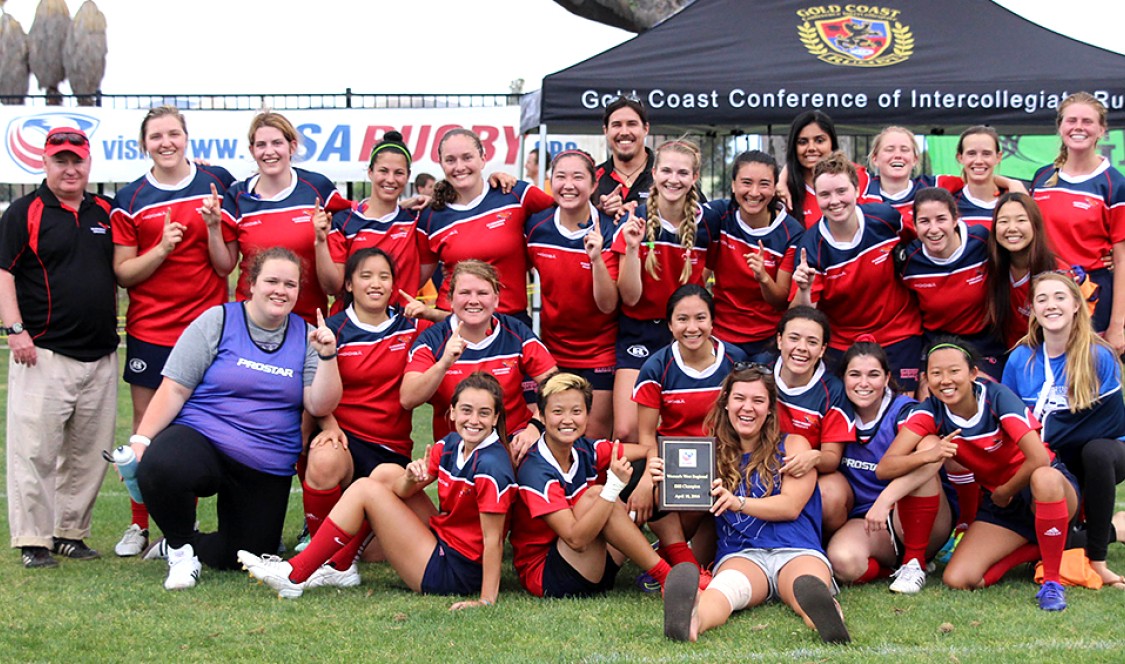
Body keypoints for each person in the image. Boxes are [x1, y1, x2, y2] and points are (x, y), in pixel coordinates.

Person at [133, 247, 342, 590]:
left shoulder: (307, 335)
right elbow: (174, 389)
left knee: (244, 554)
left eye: (289, 284)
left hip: (265, 460)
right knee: (161, 465)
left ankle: (189, 545)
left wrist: (328, 356)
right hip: (204, 437)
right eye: (271, 281)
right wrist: (142, 441)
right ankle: (182, 550)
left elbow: (319, 404)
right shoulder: (218, 320)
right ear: (251, 284)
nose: (280, 290)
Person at [238, 372, 515, 609]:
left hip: (457, 571)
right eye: (466, 410)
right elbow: (399, 490)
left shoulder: (491, 465)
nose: (474, 420)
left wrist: (486, 600)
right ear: (452, 411)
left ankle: (295, 573)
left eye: (484, 413)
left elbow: (493, 541)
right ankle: (340, 567)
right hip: (446, 542)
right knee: (386, 473)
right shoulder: (452, 443)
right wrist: (409, 477)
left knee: (364, 490)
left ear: (496, 418)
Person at [109, 106, 236, 557]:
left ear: (187, 138)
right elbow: (124, 273)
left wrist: (215, 227)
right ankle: (138, 525)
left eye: (173, 134)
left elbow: (227, 265)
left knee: (201, 427)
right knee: (146, 430)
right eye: (156, 136)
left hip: (205, 332)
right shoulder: (131, 197)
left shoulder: (215, 182)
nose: (166, 142)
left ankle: (184, 525)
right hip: (151, 331)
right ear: (144, 143)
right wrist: (162, 247)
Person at [874, 337, 1079, 611]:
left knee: (1044, 477)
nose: (945, 380)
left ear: (972, 373)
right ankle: (1042, 547)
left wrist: (1005, 490)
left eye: (954, 371)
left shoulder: (996, 397)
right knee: (958, 578)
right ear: (926, 378)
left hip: (1045, 489)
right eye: (936, 373)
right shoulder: (931, 411)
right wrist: (930, 454)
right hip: (1001, 504)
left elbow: (1039, 458)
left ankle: (1052, 583)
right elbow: (885, 467)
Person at [657, 365, 849, 644]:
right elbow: (687, 505)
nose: (748, 408)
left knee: (805, 587)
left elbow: (790, 506)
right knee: (725, 591)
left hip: (796, 549)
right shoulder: (709, 454)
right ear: (726, 404)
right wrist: (662, 478)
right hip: (742, 552)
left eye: (758, 401)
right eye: (739, 398)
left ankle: (828, 621)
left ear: (771, 409)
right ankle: (692, 620)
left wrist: (738, 503)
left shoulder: (795, 446)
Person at [1, 127, 118, 568]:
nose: (70, 169)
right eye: (60, 161)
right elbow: (3, 272)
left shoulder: (104, 210)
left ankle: (70, 531)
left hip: (101, 353)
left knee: (88, 454)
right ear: (45, 163)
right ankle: (33, 539)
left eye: (77, 161)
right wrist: (15, 329)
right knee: (35, 451)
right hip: (44, 353)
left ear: (88, 164)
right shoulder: (23, 212)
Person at [1003, 272, 1125, 588]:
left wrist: (1046, 433)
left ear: (1075, 305)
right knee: (1050, 540)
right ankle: (1116, 529)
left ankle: (1098, 559)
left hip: (1104, 454)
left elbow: (1107, 424)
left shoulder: (1098, 355)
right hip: (1046, 460)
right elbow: (1009, 423)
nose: (1051, 305)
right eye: (1042, 299)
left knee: (1095, 450)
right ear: (1033, 310)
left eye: (1059, 297)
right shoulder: (1020, 358)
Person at [510, 373, 673, 597]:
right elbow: (575, 539)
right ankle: (668, 576)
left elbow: (648, 450)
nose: (567, 420)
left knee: (651, 478)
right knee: (597, 495)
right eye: (558, 412)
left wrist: (645, 483)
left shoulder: (585, 449)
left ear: (587, 416)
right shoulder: (535, 469)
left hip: (591, 561)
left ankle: (683, 558)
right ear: (543, 418)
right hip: (550, 574)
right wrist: (613, 487)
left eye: (576, 412)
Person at [302, 248, 424, 540]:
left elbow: (465, 325)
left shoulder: (412, 326)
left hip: (392, 453)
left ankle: (354, 537)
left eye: (384, 277)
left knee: (409, 539)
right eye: (365, 276)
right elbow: (310, 391)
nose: (376, 284)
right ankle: (317, 541)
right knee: (324, 459)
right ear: (348, 284)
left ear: (393, 284)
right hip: (345, 441)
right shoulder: (331, 330)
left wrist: (431, 311)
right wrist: (329, 425)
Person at [632, 285, 746, 580]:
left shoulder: (735, 361)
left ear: (712, 321)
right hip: (677, 465)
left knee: (712, 503)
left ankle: (671, 560)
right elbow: (646, 437)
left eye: (700, 318)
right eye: (682, 319)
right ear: (670, 324)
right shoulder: (656, 367)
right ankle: (677, 563)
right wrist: (648, 478)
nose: (692, 327)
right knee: (675, 492)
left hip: (727, 459)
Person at [611, 139, 720, 444]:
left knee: (689, 427)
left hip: (687, 331)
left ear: (695, 177)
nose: (674, 179)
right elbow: (630, 297)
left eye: (683, 172)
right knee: (626, 431)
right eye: (667, 170)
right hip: (639, 331)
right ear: (655, 173)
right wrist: (633, 249)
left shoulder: (708, 222)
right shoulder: (634, 220)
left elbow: (710, 271)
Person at [825, 339, 955, 593]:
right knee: (844, 563)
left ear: (886, 379)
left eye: (873, 375)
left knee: (923, 457)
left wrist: (886, 499)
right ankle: (894, 569)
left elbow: (934, 452)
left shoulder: (904, 411)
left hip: (917, 515)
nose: (863, 383)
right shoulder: (837, 412)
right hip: (868, 520)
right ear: (843, 378)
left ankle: (915, 560)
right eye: (855, 375)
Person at [203, 111, 351, 325]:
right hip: (251, 322)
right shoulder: (237, 197)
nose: (269, 151)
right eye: (261, 144)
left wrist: (403, 205)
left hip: (305, 321)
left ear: (291, 147)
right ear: (252, 150)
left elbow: (360, 215)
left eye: (277, 143)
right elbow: (224, 267)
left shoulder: (318, 189)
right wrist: (213, 228)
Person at [792, 151, 922, 392]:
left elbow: (923, 244)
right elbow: (802, 315)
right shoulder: (810, 247)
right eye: (825, 194)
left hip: (899, 331)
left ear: (857, 190)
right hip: (843, 342)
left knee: (904, 410)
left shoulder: (886, 218)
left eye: (842, 191)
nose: (834, 200)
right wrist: (804, 290)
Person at [402, 259, 556, 446]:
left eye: (482, 293)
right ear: (450, 299)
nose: (473, 300)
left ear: (496, 299)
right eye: (465, 293)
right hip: (458, 450)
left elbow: (557, 386)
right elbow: (408, 398)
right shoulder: (433, 340)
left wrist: (534, 427)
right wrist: (443, 364)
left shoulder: (516, 332)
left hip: (514, 442)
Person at [525, 150, 618, 439]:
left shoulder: (611, 227)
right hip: (552, 354)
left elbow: (608, 304)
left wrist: (596, 259)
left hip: (600, 352)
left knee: (593, 439)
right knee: (553, 436)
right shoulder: (535, 228)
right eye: (560, 176)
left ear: (593, 185)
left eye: (578, 177)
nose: (568, 184)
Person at [416, 128, 554, 323]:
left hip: (510, 323)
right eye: (450, 160)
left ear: (483, 158)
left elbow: (568, 216)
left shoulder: (516, 194)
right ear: (441, 164)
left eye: (467, 157)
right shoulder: (430, 217)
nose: (459, 166)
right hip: (453, 325)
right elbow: (414, 279)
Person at [1031, 92, 1125, 352]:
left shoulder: (1114, 185)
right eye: (1071, 120)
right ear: (1060, 127)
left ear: (1101, 130)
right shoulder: (1041, 178)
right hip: (1044, 290)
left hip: (1092, 296)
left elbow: (1122, 259)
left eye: (1087, 121)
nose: (1078, 127)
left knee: (1087, 381)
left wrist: (1118, 324)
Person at [897, 187, 1003, 380]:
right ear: (915, 226)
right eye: (924, 221)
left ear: (955, 220)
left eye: (941, 219)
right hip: (936, 343)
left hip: (984, 343)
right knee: (930, 397)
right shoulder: (909, 261)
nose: (934, 229)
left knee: (980, 392)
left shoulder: (981, 241)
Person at [770, 307, 855, 535]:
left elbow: (831, 459)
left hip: (810, 473)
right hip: (762, 466)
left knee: (832, 495)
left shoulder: (833, 390)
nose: (801, 348)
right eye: (794, 338)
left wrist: (813, 457)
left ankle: (823, 548)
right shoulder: (760, 373)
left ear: (822, 349)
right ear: (780, 340)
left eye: (812, 342)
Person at [711, 150, 804, 357]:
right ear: (733, 185)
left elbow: (780, 300)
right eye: (746, 182)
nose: (754, 192)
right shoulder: (719, 215)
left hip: (768, 341)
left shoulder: (791, 231)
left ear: (774, 188)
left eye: (764, 184)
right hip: (721, 334)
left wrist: (763, 277)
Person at [319, 131, 424, 312]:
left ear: (408, 176)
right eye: (383, 171)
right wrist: (319, 242)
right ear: (370, 172)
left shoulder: (417, 220)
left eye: (399, 173)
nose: (390, 179)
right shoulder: (343, 222)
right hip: (351, 329)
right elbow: (332, 287)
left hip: (400, 329)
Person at [984, 193, 1063, 351]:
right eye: (1003, 221)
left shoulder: (1057, 273)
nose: (1012, 228)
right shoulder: (991, 265)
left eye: (1021, 220)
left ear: (1035, 224)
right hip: (1008, 355)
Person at [857, 126, 965, 235]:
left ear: (915, 159)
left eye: (905, 150)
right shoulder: (862, 185)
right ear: (875, 158)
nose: (898, 155)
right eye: (889, 149)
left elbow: (975, 181)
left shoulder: (934, 186)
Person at [782, 110, 867, 229]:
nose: (811, 148)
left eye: (819, 141)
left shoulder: (857, 176)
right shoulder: (784, 190)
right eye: (803, 142)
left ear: (832, 142)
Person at [594, 96, 653, 216]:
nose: (624, 132)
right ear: (606, 131)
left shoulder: (668, 174)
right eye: (616, 125)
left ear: (646, 129)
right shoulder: (592, 178)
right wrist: (598, 211)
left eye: (632, 124)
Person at [953, 126, 1019, 229]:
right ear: (960, 158)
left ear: (998, 157)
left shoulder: (1014, 198)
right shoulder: (951, 205)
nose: (979, 161)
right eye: (971, 153)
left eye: (986, 154)